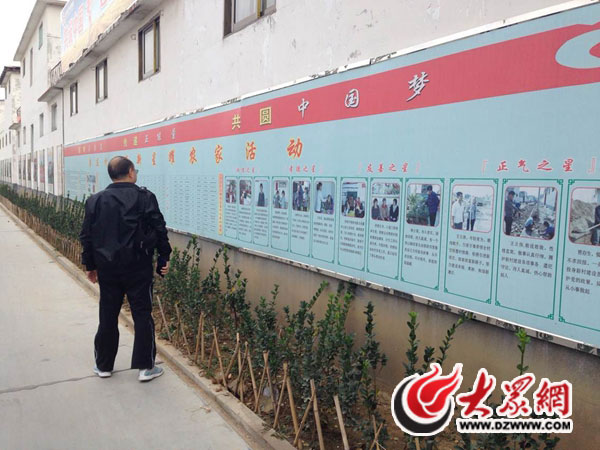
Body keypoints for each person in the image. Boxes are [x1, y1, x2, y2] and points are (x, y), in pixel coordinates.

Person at [80, 156, 171, 382]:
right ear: (130, 171)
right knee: (142, 314)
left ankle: (104, 365)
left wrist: (90, 266)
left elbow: (87, 236)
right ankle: (145, 367)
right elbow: (159, 227)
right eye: (135, 170)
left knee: (108, 314)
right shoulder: (145, 197)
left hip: (107, 268)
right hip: (138, 267)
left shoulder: (95, 200)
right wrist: (163, 258)